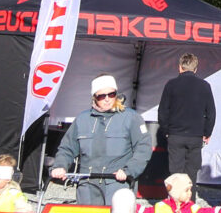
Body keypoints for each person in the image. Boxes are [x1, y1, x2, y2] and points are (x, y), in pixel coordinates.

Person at [49, 73, 149, 205]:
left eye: (111, 94)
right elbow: (67, 148)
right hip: (88, 184)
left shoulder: (131, 118)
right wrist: (60, 166)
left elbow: (143, 148)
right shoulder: (82, 119)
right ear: (94, 97)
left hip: (118, 182)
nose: (107, 99)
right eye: (102, 96)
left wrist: (129, 171)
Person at [155, 51, 217, 180]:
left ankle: (175, 199)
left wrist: (166, 130)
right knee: (191, 174)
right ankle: (190, 199)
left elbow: (162, 111)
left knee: (175, 173)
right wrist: (207, 133)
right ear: (195, 69)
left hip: (175, 135)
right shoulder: (205, 86)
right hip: (195, 136)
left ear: (179, 67)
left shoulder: (171, 84)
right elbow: (211, 112)